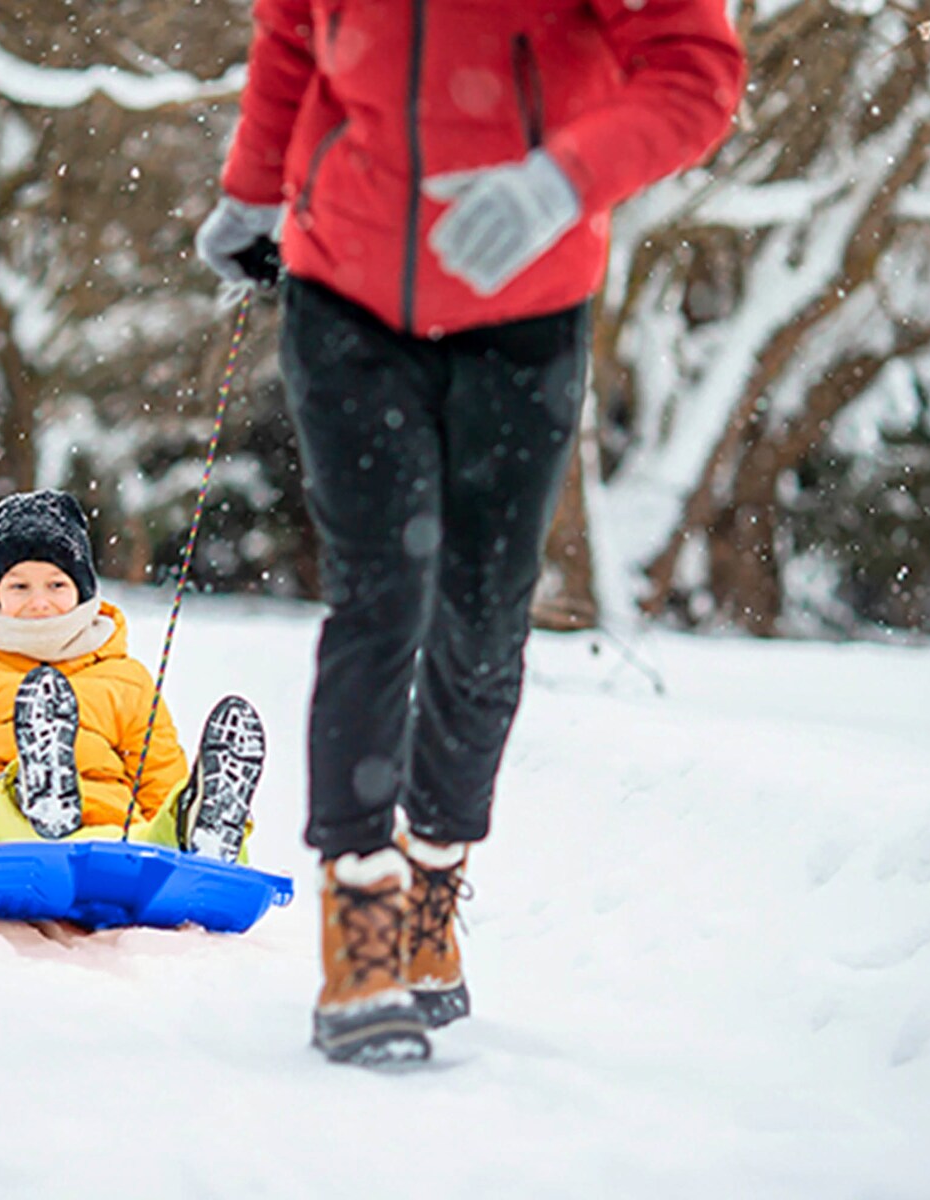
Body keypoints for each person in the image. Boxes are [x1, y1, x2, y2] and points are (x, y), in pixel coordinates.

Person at [196, 0, 745, 1064]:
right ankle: (359, 918)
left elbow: (694, 72)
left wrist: (560, 181)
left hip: (524, 308)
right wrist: (254, 189)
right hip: (345, 288)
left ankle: (434, 881)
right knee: (378, 596)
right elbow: (294, 35)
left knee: (484, 611)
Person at [0, 489, 265, 868]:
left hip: (107, 836)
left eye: (56, 584)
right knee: (2, 824)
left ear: (82, 591)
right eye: (19, 586)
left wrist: (172, 808)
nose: (39, 602)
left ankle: (200, 830)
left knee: (151, 837)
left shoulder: (126, 680)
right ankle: (32, 803)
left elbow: (158, 778)